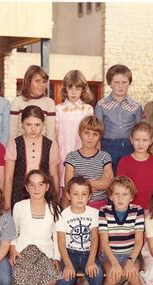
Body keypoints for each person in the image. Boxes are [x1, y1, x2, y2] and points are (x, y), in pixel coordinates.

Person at [39, 176, 104, 285]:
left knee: (97, 273)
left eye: (84, 194)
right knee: (63, 277)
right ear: (68, 195)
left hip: (89, 253)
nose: (80, 198)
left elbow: (95, 239)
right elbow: (61, 242)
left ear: (89, 197)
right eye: (75, 194)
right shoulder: (63, 215)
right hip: (70, 254)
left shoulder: (94, 213)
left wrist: (91, 261)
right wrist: (67, 264)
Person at [9, 170, 61, 285]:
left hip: (45, 249)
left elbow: (57, 236)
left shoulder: (54, 208)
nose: (36, 188)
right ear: (26, 187)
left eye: (40, 184)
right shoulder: (19, 206)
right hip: (23, 248)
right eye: (32, 185)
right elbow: (13, 230)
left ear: (47, 187)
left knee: (52, 279)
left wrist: (57, 257)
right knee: (18, 278)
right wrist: (12, 249)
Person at [97, 176, 149, 285]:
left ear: (131, 197)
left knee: (133, 275)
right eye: (117, 194)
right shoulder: (104, 212)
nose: (120, 198)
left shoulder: (137, 211)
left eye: (125, 194)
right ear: (110, 196)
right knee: (113, 277)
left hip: (131, 253)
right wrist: (114, 263)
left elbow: (139, 241)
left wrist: (131, 261)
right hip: (109, 254)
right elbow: (104, 243)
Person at [4, 105, 60, 210]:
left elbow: (54, 176)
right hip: (18, 195)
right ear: (22, 124)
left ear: (43, 124)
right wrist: (7, 203)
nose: (33, 129)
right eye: (28, 124)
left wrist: (55, 200)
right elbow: (8, 178)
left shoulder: (51, 145)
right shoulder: (14, 143)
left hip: (43, 195)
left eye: (37, 124)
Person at [56, 70, 94, 208]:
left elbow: (91, 134)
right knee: (65, 192)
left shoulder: (87, 109)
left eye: (77, 88)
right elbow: (56, 134)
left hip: (81, 157)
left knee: (80, 190)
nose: (73, 92)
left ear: (83, 89)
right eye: (70, 88)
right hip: (63, 156)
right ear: (65, 88)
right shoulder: (58, 109)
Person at [95, 64, 142, 173]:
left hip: (129, 146)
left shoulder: (136, 106)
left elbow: (140, 131)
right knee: (109, 177)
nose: (120, 86)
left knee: (127, 177)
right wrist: (98, 153)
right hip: (108, 146)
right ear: (110, 83)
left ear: (129, 83)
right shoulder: (101, 105)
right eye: (116, 82)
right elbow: (97, 131)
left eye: (124, 82)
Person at [64, 116, 114, 210]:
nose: (90, 137)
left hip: (101, 206)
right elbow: (69, 186)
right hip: (77, 206)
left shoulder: (105, 157)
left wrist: (80, 184)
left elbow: (108, 184)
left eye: (95, 134)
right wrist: (98, 184)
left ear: (100, 137)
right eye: (87, 133)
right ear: (80, 133)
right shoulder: (71, 157)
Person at [117, 122, 153, 210]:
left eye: (145, 140)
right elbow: (120, 187)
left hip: (151, 208)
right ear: (131, 139)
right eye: (137, 139)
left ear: (151, 141)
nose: (140, 144)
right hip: (130, 208)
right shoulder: (124, 161)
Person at [9, 65, 56, 141]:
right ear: (28, 82)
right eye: (37, 81)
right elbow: (13, 132)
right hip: (21, 147)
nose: (42, 85)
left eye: (44, 82)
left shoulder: (49, 103)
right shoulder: (17, 102)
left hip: (42, 147)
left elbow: (50, 134)